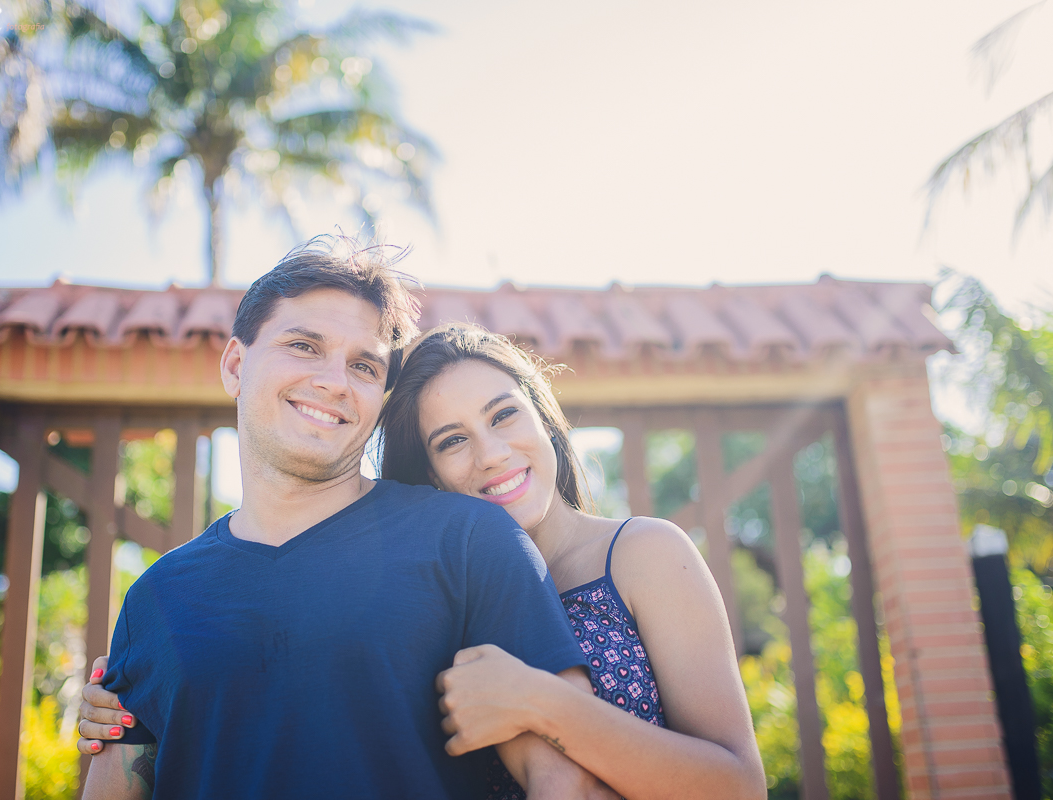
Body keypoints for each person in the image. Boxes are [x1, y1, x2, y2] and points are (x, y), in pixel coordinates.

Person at [81, 320, 767, 800]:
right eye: (451, 441)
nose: (491, 454)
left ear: (542, 415)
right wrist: (157, 686)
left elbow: (740, 787)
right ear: (426, 473)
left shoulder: (643, 554)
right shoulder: (428, 588)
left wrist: (539, 700)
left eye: (503, 416)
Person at [77, 238, 610, 800]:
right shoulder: (155, 599)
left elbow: (565, 777)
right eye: (305, 346)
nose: (335, 380)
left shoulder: (469, 540)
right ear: (236, 365)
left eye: (363, 365)